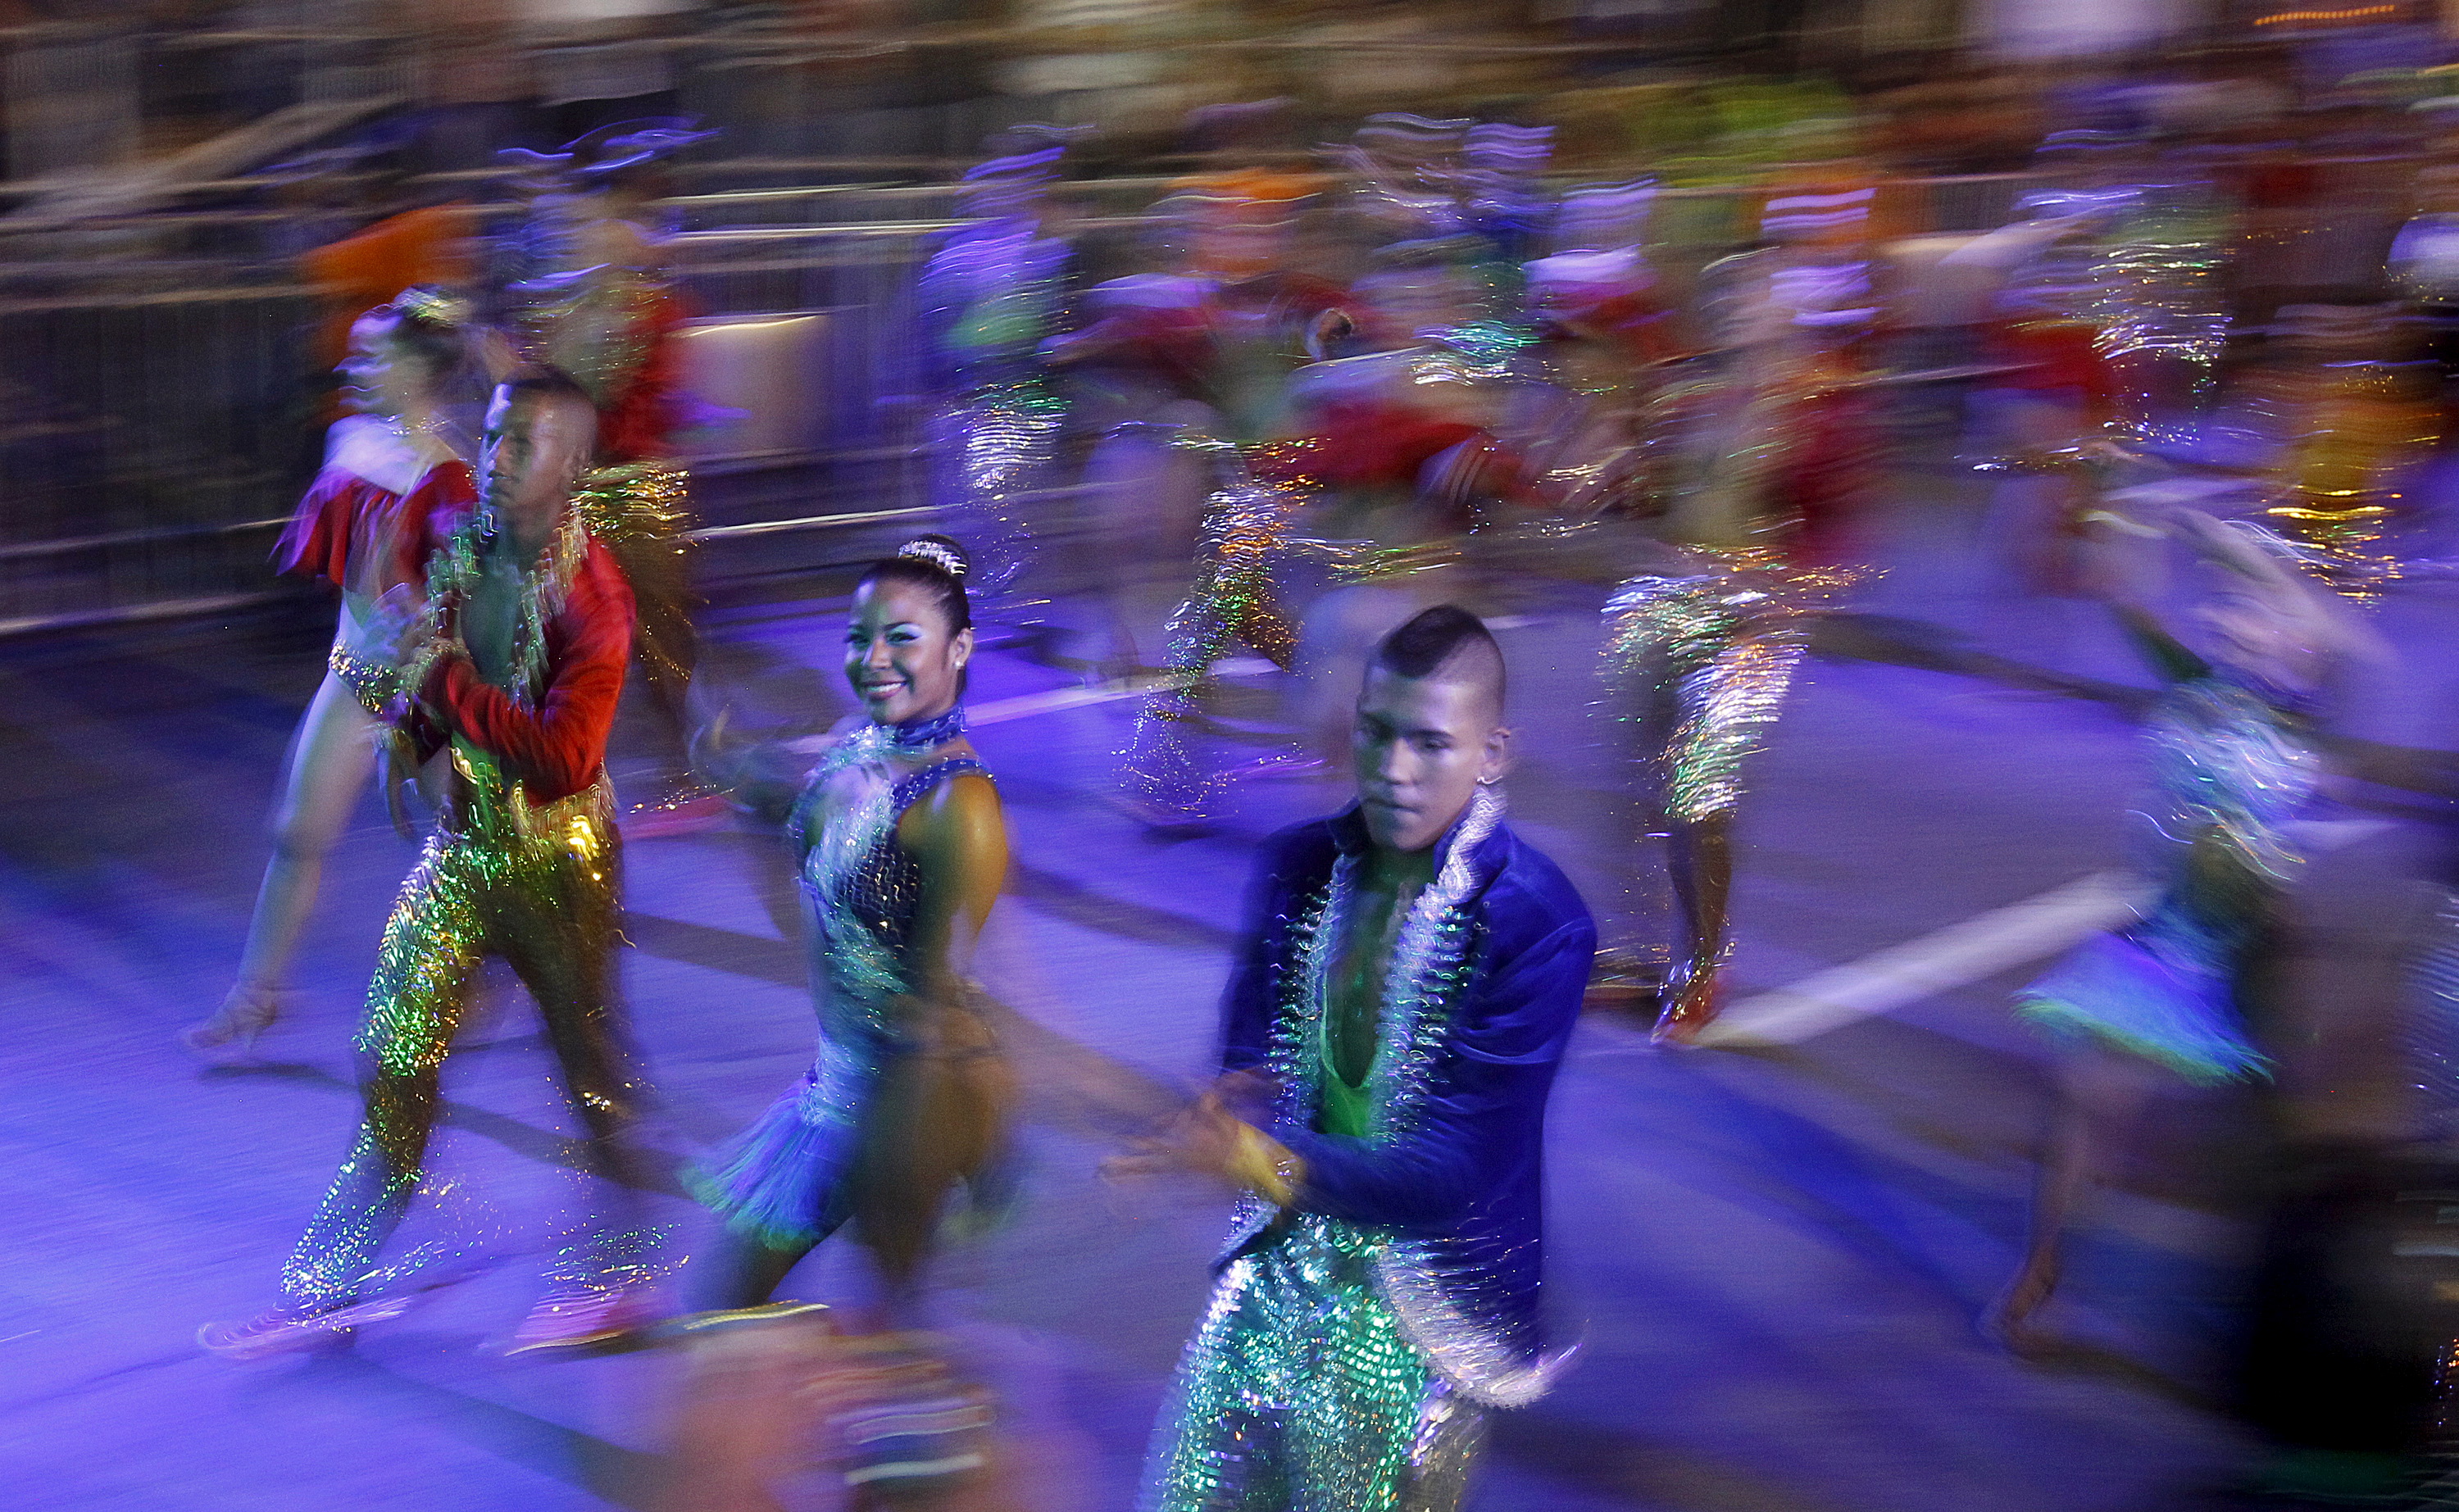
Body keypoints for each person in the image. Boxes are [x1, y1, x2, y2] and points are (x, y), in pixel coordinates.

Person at [200, 370, 660, 1358]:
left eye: (523, 445)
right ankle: (328, 1284)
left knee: (588, 1076)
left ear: (575, 465)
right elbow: (411, 647)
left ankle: (619, 1274)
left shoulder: (597, 598)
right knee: (392, 1059)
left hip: (558, 864)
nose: (494, 461)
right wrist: (405, 718)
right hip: (462, 853)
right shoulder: (459, 532)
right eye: (492, 437)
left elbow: (563, 757)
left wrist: (439, 684)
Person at [1117, 605, 1595, 1512]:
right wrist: (1224, 1113)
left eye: (1430, 745)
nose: (1393, 771)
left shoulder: (1536, 924)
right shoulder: (1298, 866)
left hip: (1421, 1316)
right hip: (1278, 1265)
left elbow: (1455, 1170)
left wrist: (1258, 1158)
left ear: (1493, 753)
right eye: (1375, 733)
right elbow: (1249, 1055)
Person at [1985, 508, 2384, 1352]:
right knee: (2086, 1098)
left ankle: (2273, 1313)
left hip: (2249, 952)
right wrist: (2137, 522)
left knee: (2261, 1148)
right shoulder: (2191, 685)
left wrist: (2250, 554)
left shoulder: (2300, 715)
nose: (2229, 621)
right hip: (2163, 937)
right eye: (2225, 609)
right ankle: (2045, 1267)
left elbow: (2329, 634)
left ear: (2294, 642)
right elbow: (2124, 595)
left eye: (2253, 614)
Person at [684, 535, 1013, 1501]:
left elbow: (942, 999)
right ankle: (902, 1422)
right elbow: (812, 817)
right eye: (859, 634)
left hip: (910, 1104)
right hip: (835, 1091)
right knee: (738, 1309)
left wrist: (906, 1153)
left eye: (902, 637)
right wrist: (741, 774)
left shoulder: (961, 803)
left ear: (958, 650)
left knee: (888, 1345)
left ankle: (933, 1445)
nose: (875, 657)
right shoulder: (852, 753)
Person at [184, 287, 480, 1056]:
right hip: (351, 679)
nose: (350, 368)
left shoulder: (450, 476)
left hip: (422, 695)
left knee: (468, 845)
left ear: (415, 370)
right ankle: (257, 996)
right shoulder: (348, 441)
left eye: (369, 356)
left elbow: (460, 592)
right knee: (295, 833)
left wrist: (425, 621)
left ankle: (496, 971)